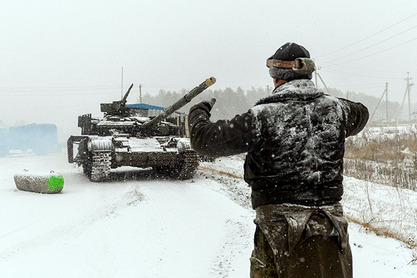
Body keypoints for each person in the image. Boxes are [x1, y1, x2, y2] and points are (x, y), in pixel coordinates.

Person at [188, 42, 369, 278]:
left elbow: (204, 140)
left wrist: (197, 112)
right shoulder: (337, 110)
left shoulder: (263, 117)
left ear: (276, 78)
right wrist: (322, 100)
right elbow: (362, 112)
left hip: (279, 231)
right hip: (330, 229)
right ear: (309, 74)